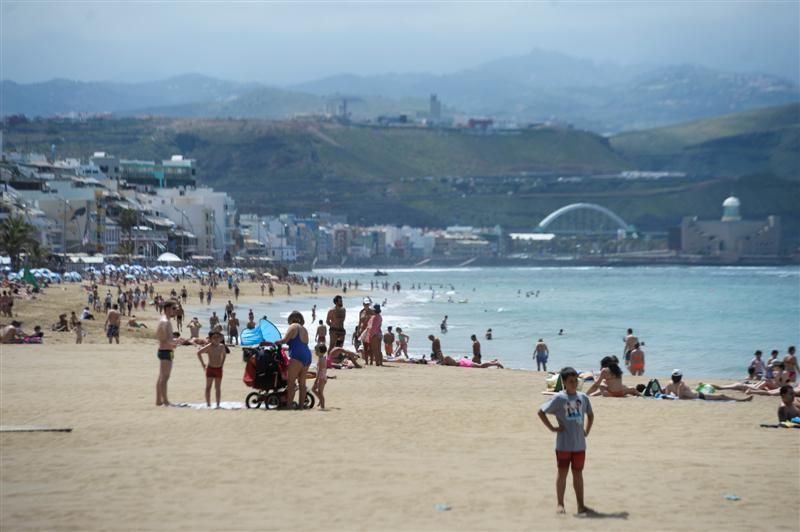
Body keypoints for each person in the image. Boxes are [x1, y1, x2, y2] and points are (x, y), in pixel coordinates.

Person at [538, 367, 594, 516]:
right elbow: (541, 412)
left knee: (578, 475)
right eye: (570, 381)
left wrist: (586, 431)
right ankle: (560, 504)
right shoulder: (559, 398)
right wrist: (552, 428)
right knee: (562, 473)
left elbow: (591, 415)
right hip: (563, 445)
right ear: (563, 382)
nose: (574, 383)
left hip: (579, 445)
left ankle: (581, 506)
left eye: (576, 380)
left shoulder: (583, 397)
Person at [274, 311, 312, 409]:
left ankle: (289, 405)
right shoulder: (304, 329)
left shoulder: (293, 326)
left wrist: (275, 342)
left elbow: (285, 340)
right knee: (302, 383)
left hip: (297, 356)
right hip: (307, 356)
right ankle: (300, 406)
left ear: (291, 319)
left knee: (291, 383)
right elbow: (300, 344)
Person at [663, 370, 752, 402]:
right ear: (680, 376)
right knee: (722, 396)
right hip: (700, 396)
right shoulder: (681, 384)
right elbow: (680, 397)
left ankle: (741, 399)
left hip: (698, 394)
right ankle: (741, 400)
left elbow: (667, 395)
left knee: (718, 394)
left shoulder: (669, 383)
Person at [156, 300, 182, 407]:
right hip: (165, 351)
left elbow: (165, 339)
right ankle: (165, 401)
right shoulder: (165, 322)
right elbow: (163, 339)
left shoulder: (165, 321)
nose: (176, 311)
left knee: (161, 377)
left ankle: (158, 400)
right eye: (174, 308)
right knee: (165, 377)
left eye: (176, 308)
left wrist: (175, 342)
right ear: (167, 309)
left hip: (166, 350)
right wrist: (177, 342)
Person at [197, 330, 227, 408]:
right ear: (211, 339)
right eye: (214, 337)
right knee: (208, 387)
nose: (216, 339)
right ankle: (208, 404)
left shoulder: (222, 346)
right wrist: (203, 364)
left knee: (218, 388)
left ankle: (218, 404)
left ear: (220, 338)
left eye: (217, 337)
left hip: (218, 369)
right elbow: (199, 353)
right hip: (210, 368)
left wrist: (222, 364)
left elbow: (224, 355)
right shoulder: (209, 346)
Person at [312, 344, 328, 409]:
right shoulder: (322, 358)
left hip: (321, 378)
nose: (315, 352)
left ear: (319, 351)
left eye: (316, 351)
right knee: (313, 389)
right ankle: (320, 400)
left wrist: (316, 380)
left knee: (320, 393)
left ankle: (322, 406)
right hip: (323, 377)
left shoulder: (321, 359)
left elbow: (319, 371)